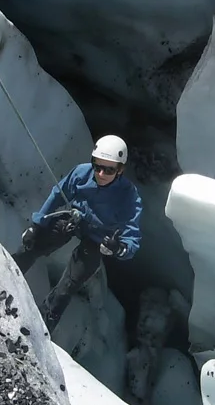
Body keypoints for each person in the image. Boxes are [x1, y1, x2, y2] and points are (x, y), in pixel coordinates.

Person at [12, 135, 142, 330]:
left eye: (109, 169)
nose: (100, 173)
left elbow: (132, 237)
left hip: (98, 238)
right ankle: (6, 273)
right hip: (74, 220)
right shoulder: (82, 173)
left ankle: (40, 327)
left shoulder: (128, 196)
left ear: (120, 170)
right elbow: (58, 193)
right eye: (97, 166)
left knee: (69, 284)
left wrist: (118, 248)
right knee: (34, 244)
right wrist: (37, 226)